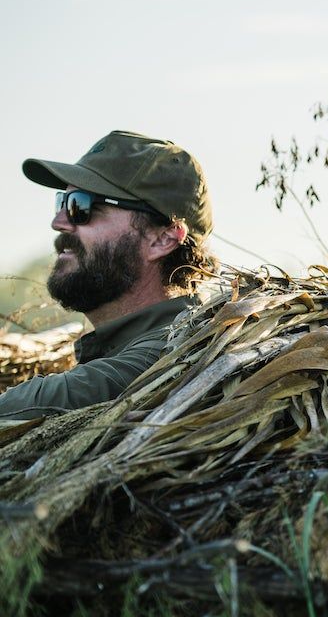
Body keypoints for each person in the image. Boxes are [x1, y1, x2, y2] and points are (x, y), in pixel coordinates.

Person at [0, 131, 216, 419]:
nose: (58, 222)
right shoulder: (121, 349)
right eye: (61, 203)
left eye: (81, 206)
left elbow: (60, 396)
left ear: (162, 239)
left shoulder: (176, 351)